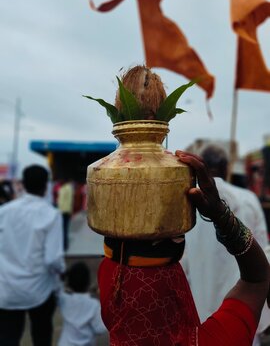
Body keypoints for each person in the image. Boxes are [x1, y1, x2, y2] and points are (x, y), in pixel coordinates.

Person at [98, 150, 270, 345]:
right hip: (230, 322)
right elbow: (257, 278)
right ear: (225, 168)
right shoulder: (242, 199)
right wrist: (220, 215)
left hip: (197, 299)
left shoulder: (180, 196)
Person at [183, 144, 270, 346]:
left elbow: (182, 263)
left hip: (199, 317)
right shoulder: (248, 200)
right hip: (243, 313)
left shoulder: (187, 203)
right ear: (225, 167)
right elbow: (263, 260)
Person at [0, 165, 65, 346]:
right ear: (46, 186)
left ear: (23, 184)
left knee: (7, 338)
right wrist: (63, 272)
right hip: (39, 291)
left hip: (6, 289)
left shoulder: (4, 212)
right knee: (41, 336)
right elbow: (53, 259)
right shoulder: (51, 215)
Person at [58, 262, 106, 346]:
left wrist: (63, 277)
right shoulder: (93, 305)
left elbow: (56, 288)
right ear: (88, 282)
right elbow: (100, 329)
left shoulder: (64, 299)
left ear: (69, 282)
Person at [57, 178, 74, 251]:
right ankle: (63, 244)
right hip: (61, 211)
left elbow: (70, 200)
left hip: (65, 211)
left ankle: (65, 245)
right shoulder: (63, 187)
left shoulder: (68, 188)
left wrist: (70, 211)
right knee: (62, 229)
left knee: (64, 229)